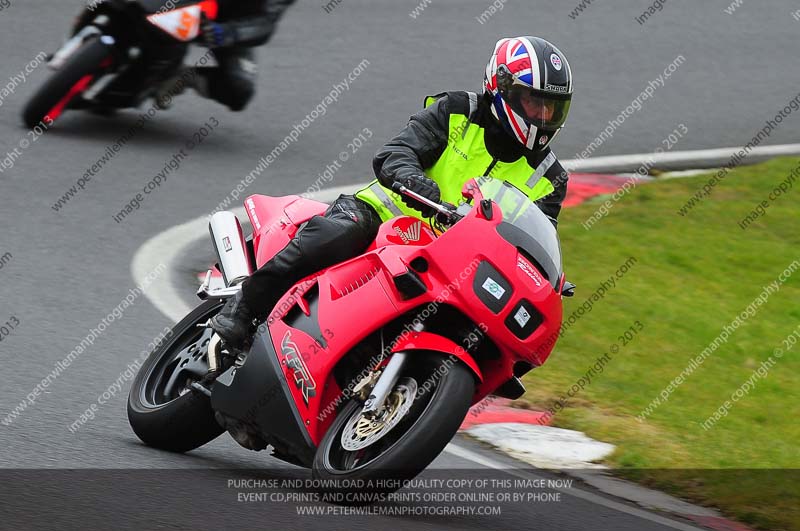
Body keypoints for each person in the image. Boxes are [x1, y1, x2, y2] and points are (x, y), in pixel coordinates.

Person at [211, 36, 574, 350]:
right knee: (338, 233)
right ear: (502, 87)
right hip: (384, 217)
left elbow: (535, 242)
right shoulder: (458, 111)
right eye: (533, 102)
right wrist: (415, 182)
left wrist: (549, 277)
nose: (543, 116)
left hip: (454, 261)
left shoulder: (550, 177)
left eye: (552, 108)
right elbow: (396, 152)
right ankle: (244, 307)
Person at [156, 0, 296, 111]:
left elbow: (265, 23)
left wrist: (230, 32)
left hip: (228, 26)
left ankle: (182, 77)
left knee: (238, 90)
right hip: (192, 4)